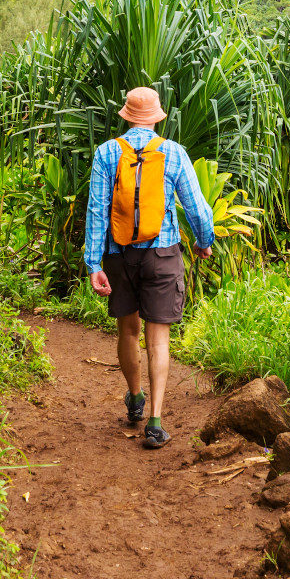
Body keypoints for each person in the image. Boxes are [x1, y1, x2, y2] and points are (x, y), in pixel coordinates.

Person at [85, 86, 214, 450]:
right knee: (158, 339)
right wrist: (204, 241)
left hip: (119, 255)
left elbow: (97, 211)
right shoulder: (173, 153)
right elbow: (196, 207)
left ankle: (135, 398)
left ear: (125, 116)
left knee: (128, 330)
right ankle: (155, 424)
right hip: (162, 254)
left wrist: (94, 263)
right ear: (159, 118)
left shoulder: (107, 153)